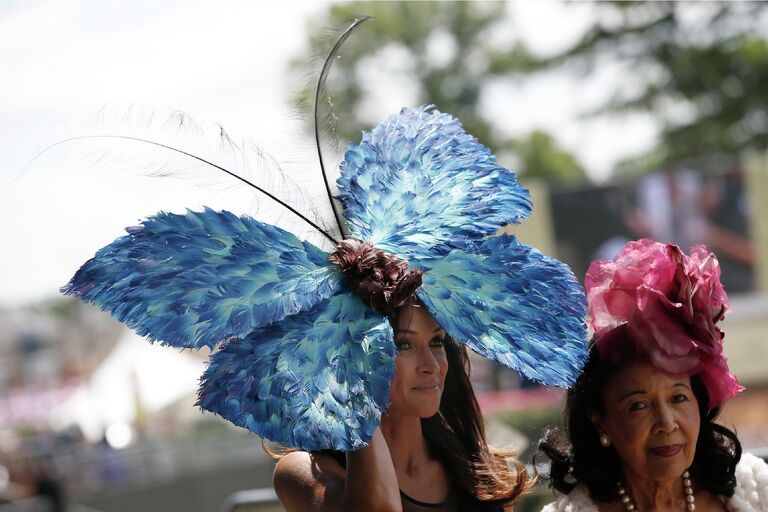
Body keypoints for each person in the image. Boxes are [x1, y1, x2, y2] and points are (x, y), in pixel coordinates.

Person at [539, 239, 768, 512]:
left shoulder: (756, 491)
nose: (667, 423)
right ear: (599, 419)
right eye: (639, 405)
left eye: (679, 398)